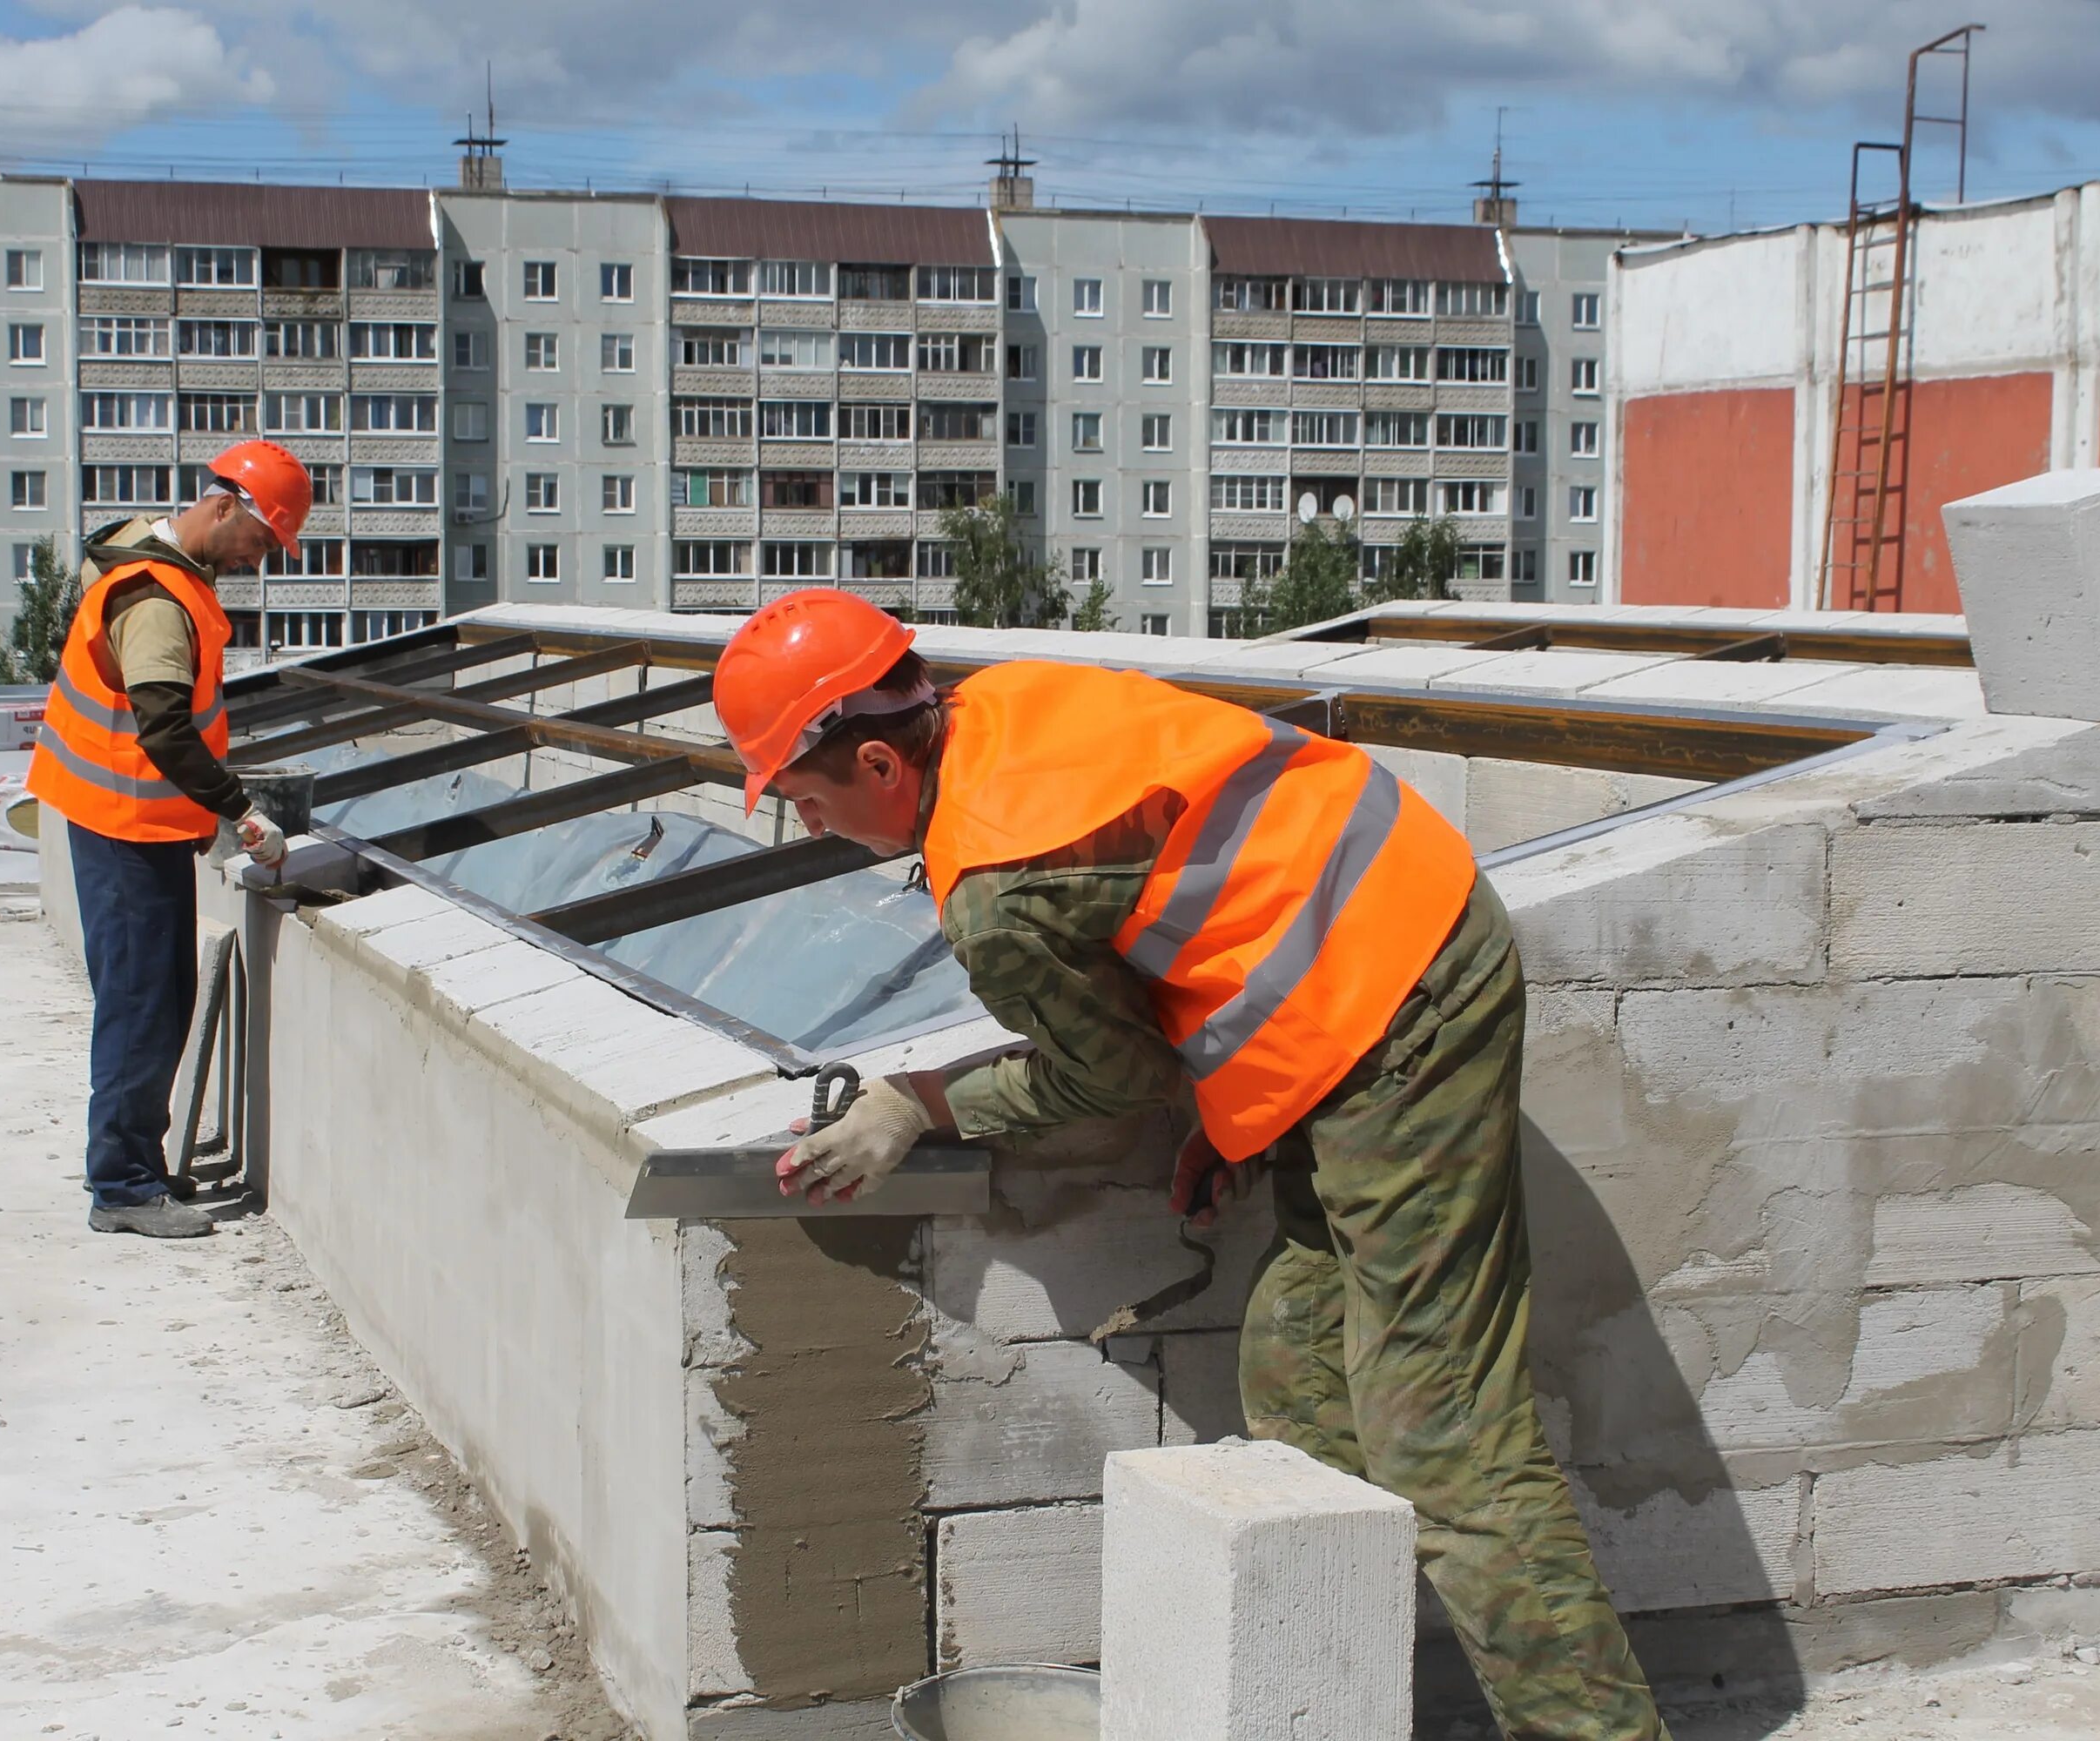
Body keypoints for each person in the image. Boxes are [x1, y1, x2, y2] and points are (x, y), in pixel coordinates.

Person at [715, 588, 1668, 1741]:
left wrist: (922, 1105)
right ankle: (1334, 1700)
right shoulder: (996, 704)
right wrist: (1235, 1109)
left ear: (878, 762)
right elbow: (1204, 897)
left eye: (809, 800)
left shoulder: (996, 887)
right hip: (1363, 954)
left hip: (1399, 1001)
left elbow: (1105, 1081)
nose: (812, 828)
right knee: (1298, 1369)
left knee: (1444, 1434)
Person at [27, 441, 306, 1240]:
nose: (259, 560)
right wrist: (242, 812)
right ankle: (120, 1186)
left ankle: (136, 1165)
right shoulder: (157, 598)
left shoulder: (158, 565)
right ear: (224, 508)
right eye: (260, 541)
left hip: (126, 821)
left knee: (156, 998)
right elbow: (164, 731)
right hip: (124, 826)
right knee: (141, 1005)